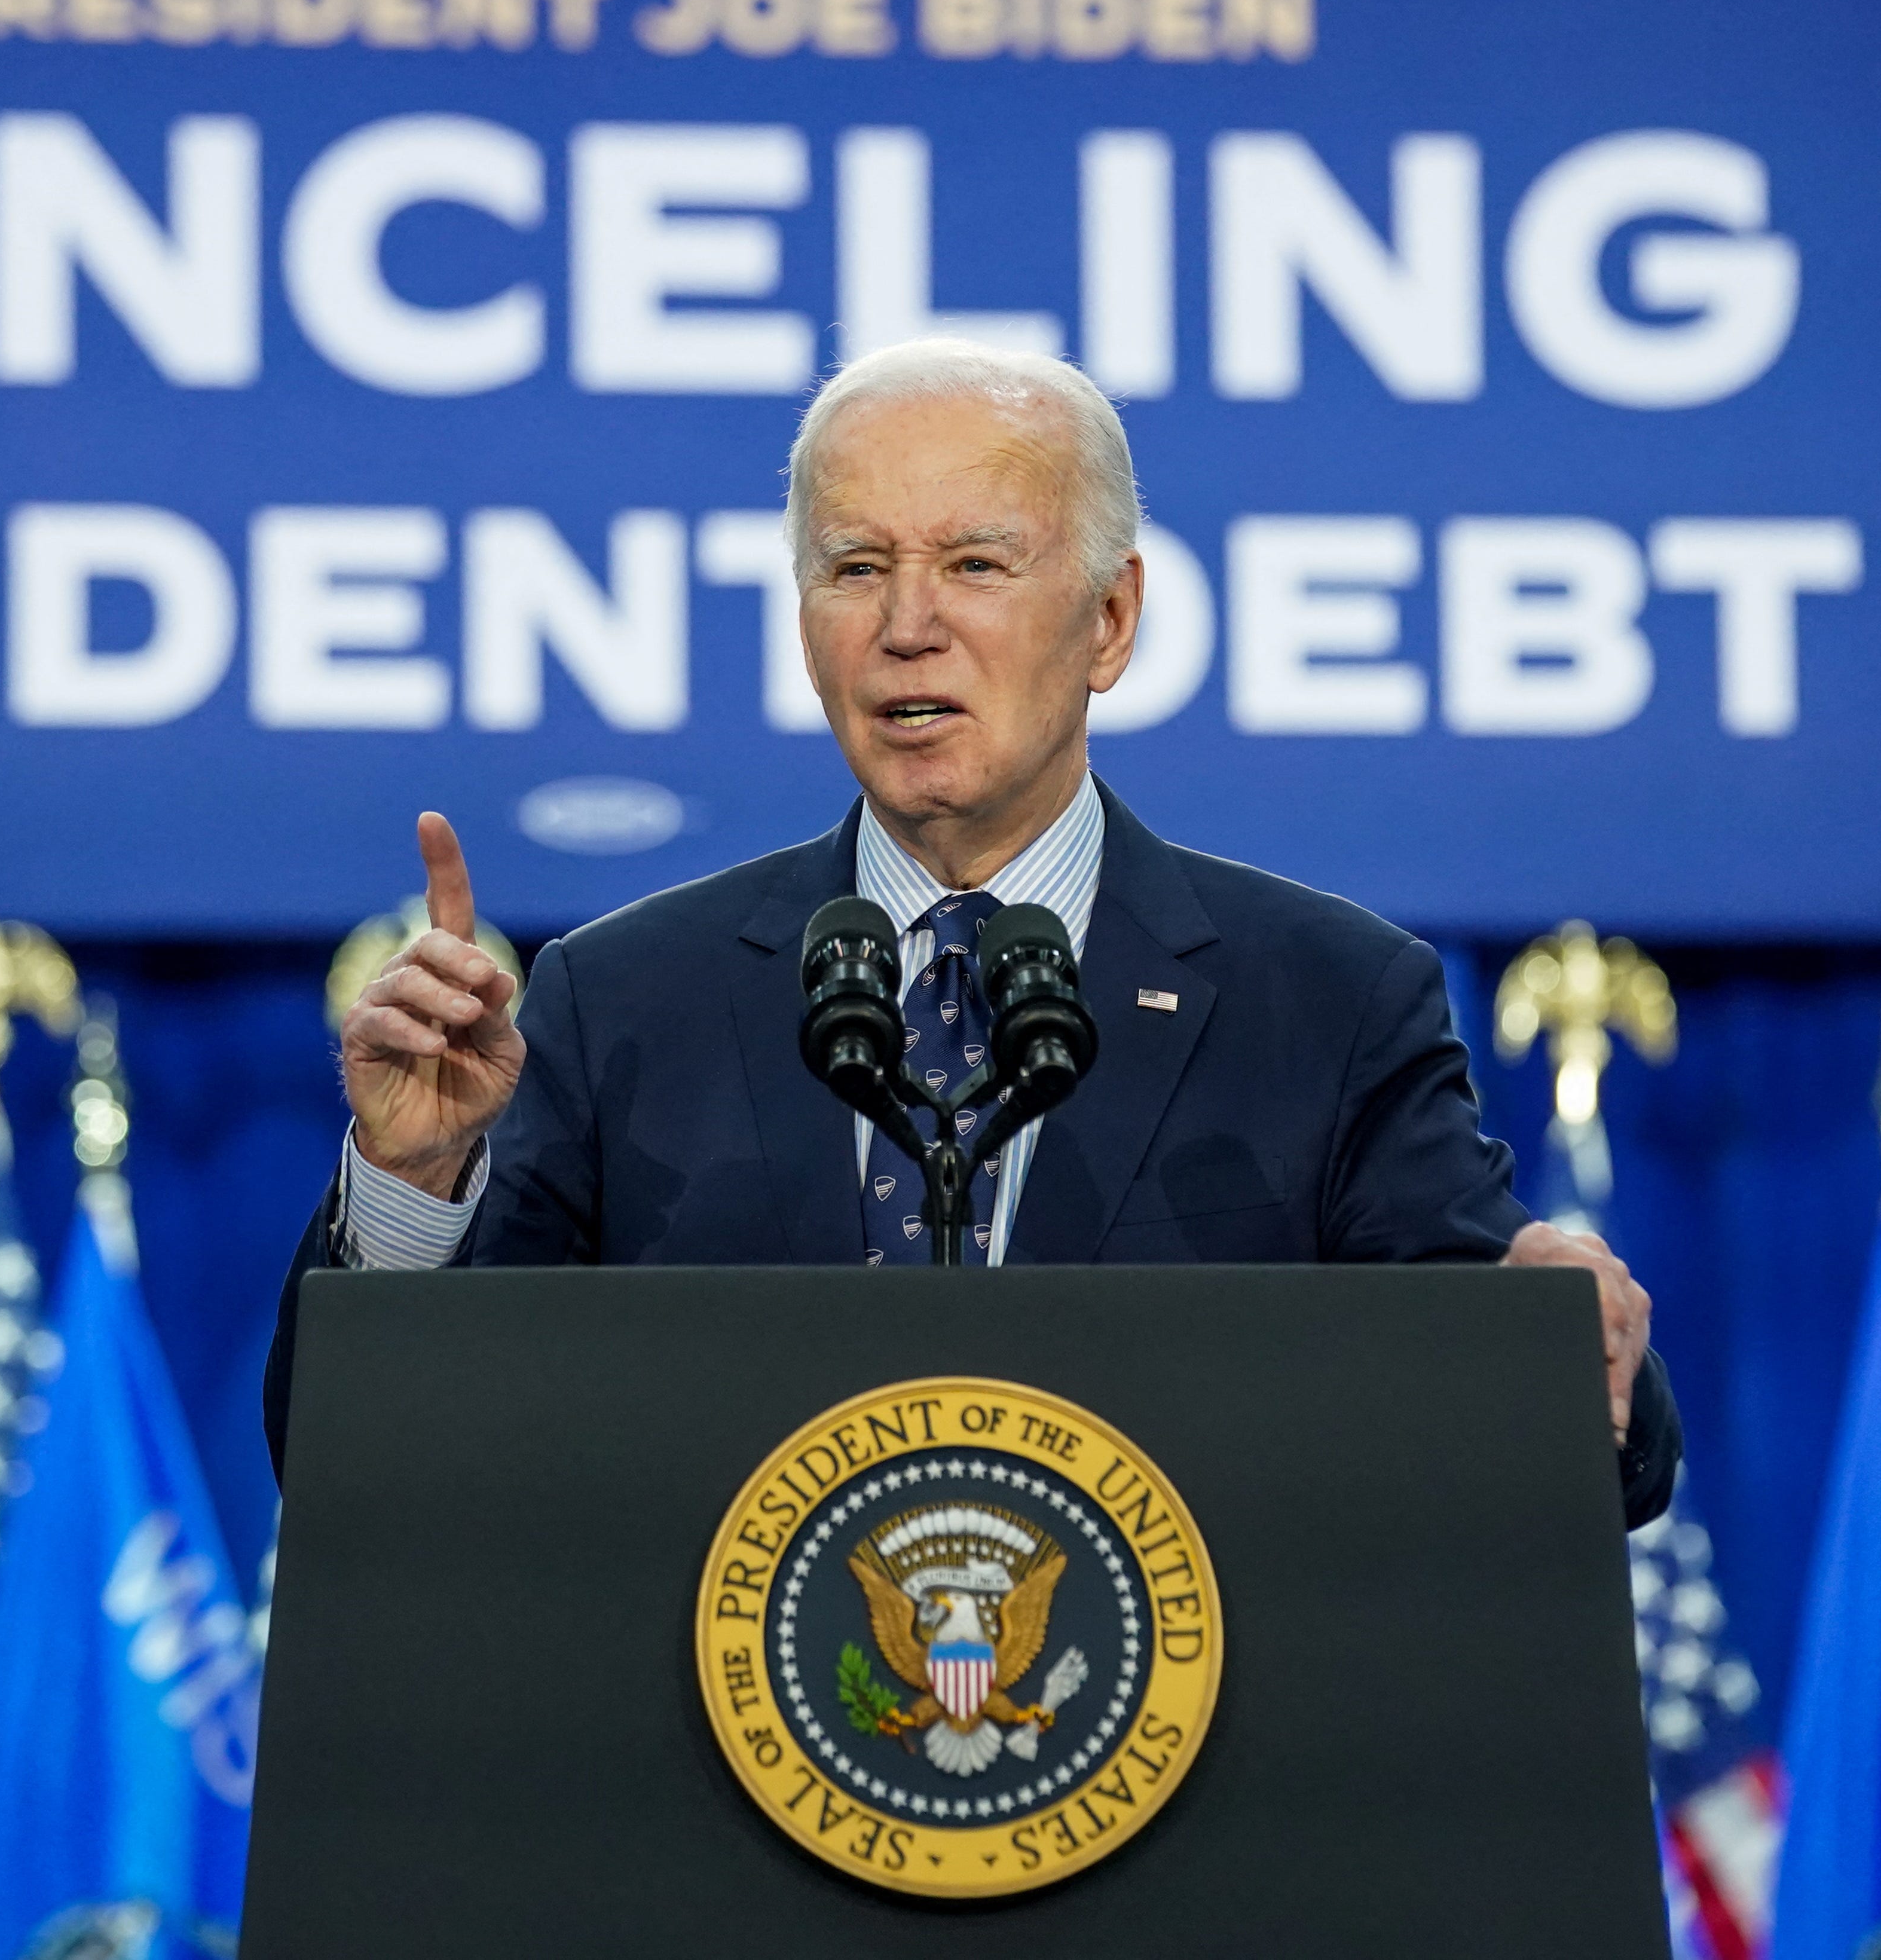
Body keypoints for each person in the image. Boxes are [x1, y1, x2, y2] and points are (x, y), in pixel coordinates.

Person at [267, 336, 1678, 1525]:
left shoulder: (1326, 1000)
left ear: (1111, 620)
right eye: (856, 567)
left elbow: (1570, 1444)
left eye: (976, 566)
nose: (907, 626)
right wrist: (412, 1187)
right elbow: (370, 1475)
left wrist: (1558, 1337)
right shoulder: (621, 1000)